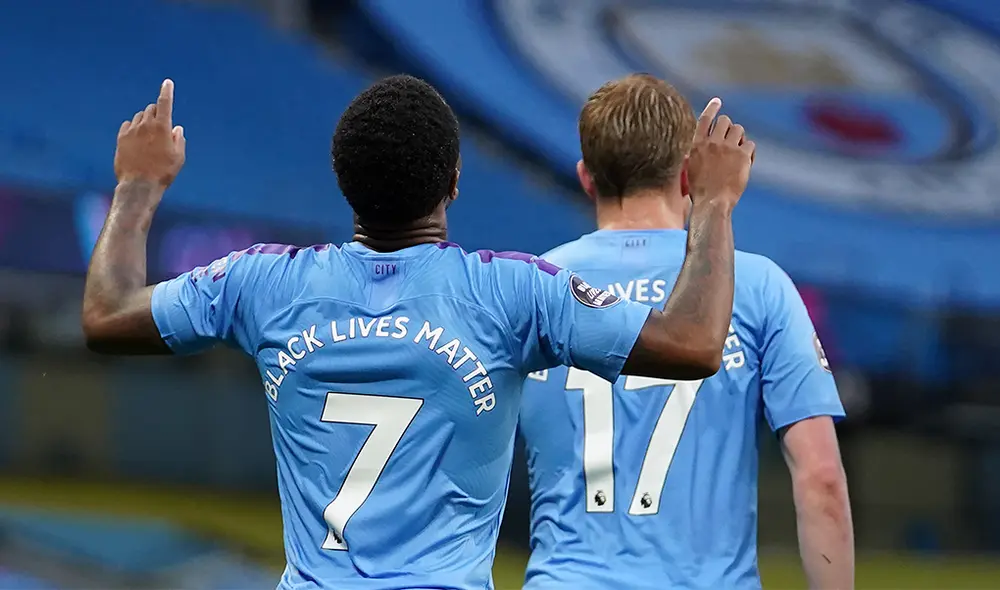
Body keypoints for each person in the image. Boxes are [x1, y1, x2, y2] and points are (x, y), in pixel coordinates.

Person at [81, 74, 752, 589]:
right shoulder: (513, 293)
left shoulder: (262, 284)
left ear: (343, 181)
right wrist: (715, 203)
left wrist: (138, 184)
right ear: (453, 181)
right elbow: (692, 343)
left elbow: (108, 315)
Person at [518, 74, 854, 590]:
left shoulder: (529, 288)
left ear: (586, 178)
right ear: (686, 176)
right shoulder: (758, 286)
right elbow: (821, 479)